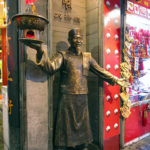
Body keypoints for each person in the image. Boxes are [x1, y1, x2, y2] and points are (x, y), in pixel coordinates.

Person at [26, 28, 129, 150]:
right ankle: (62, 146)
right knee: (65, 124)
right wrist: (40, 51)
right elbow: (50, 67)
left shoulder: (87, 57)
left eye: (80, 38)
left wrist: (115, 79)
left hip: (82, 96)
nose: (78, 41)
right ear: (69, 40)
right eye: (75, 38)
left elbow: (100, 71)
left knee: (83, 125)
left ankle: (83, 144)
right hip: (67, 96)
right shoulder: (63, 55)